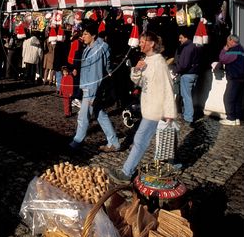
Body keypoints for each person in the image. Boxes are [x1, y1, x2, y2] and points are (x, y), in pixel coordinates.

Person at [108, 31, 177, 183]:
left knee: (140, 139)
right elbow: (138, 82)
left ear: (151, 44)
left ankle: (126, 173)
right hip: (148, 107)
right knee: (146, 140)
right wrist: (137, 69)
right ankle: (169, 167)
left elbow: (168, 87)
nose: (140, 43)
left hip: (155, 108)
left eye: (142, 41)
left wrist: (169, 112)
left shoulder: (159, 63)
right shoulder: (147, 59)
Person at [69, 20, 120, 152]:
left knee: (83, 116)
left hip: (92, 89)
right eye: (83, 34)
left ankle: (77, 141)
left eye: (86, 34)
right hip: (89, 87)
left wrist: (91, 93)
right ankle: (114, 142)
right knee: (100, 115)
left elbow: (96, 74)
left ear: (93, 35)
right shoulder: (89, 48)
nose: (83, 36)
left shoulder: (97, 49)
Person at [174, 28, 200, 124]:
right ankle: (187, 114)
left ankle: (188, 117)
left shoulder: (187, 48)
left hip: (187, 74)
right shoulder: (195, 46)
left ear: (186, 37)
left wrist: (176, 70)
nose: (179, 40)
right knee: (190, 95)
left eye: (181, 38)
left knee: (186, 96)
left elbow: (184, 64)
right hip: (194, 74)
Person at [219, 34, 244, 126]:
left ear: (231, 41)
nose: (226, 43)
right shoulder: (241, 49)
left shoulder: (234, 50)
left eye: (227, 41)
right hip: (242, 78)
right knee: (237, 99)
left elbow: (222, 59)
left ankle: (231, 118)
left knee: (228, 98)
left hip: (234, 78)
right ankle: (237, 118)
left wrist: (225, 49)